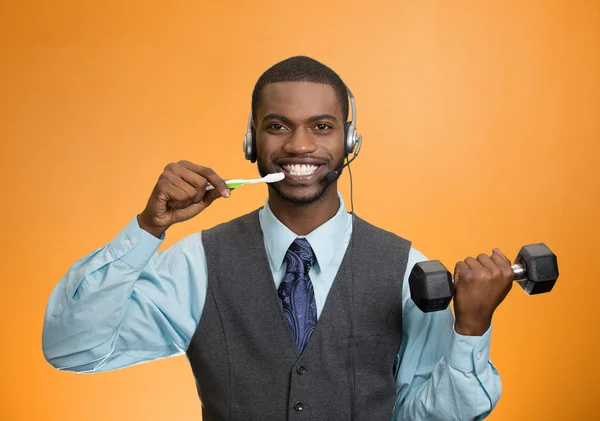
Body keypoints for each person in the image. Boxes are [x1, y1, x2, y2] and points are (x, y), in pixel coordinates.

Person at [42, 56, 512, 420]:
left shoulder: (407, 269)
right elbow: (71, 347)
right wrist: (147, 229)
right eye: (278, 126)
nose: (299, 146)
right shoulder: (197, 265)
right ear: (251, 142)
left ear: (350, 143)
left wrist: (470, 331)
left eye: (322, 127)